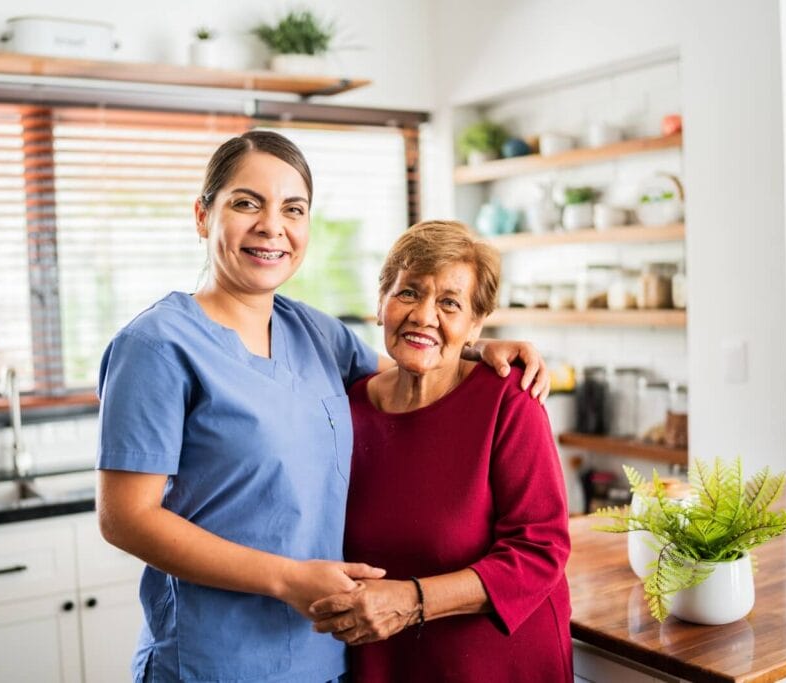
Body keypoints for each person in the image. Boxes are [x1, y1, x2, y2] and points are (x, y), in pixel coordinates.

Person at [95, 131, 551, 683]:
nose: (272, 226)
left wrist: (476, 347)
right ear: (202, 215)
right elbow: (125, 518)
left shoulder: (312, 332)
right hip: (213, 661)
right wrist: (287, 579)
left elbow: (410, 365)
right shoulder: (157, 346)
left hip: (325, 659)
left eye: (293, 209)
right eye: (246, 203)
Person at [310, 220, 572, 682]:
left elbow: (540, 551)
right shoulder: (346, 408)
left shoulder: (508, 401)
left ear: (476, 324)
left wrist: (411, 601)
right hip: (388, 663)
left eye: (449, 303)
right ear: (381, 302)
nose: (424, 315)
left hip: (495, 664)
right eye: (408, 292)